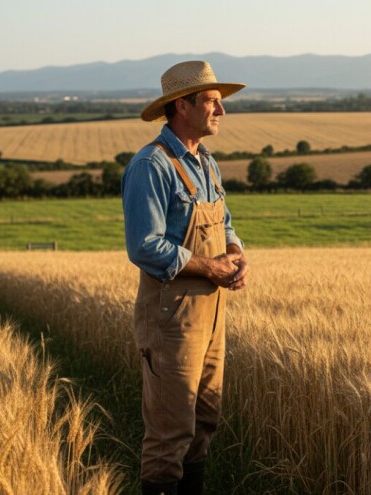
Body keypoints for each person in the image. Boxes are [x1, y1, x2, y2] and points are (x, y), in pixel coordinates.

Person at [121, 60, 249, 495]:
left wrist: (234, 252)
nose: (221, 111)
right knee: (171, 429)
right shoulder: (151, 166)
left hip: (212, 311)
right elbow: (144, 245)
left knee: (203, 420)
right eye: (212, 101)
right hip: (171, 316)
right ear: (182, 105)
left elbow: (225, 221)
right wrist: (210, 267)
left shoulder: (205, 163)